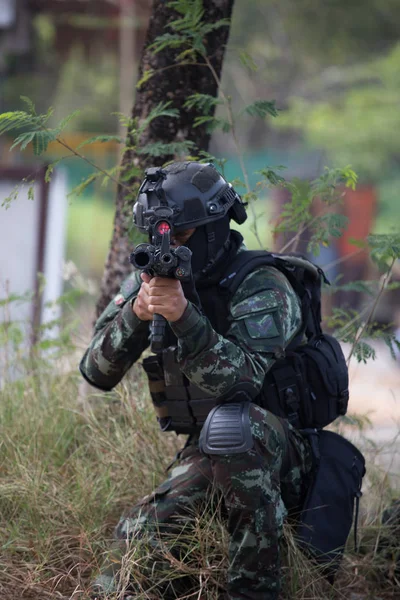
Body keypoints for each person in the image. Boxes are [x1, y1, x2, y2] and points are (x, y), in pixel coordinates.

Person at [80, 161, 313, 600]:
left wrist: (184, 317)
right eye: (157, 236)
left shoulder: (263, 285)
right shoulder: (152, 279)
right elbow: (96, 372)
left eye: (181, 236)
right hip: (207, 448)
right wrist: (137, 313)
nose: (167, 247)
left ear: (215, 229)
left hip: (279, 452)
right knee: (136, 545)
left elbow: (240, 385)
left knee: (238, 427)